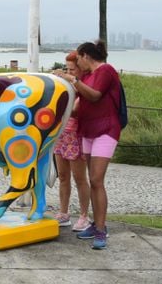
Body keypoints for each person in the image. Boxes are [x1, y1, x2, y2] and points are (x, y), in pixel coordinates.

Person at [69, 40, 122, 250]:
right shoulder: (87, 76)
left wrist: (73, 80)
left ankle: (101, 230)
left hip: (105, 130)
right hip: (88, 131)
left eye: (78, 59)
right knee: (93, 181)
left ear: (85, 56)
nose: (77, 63)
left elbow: (95, 95)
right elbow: (78, 107)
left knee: (97, 179)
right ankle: (96, 224)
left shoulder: (105, 70)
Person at [52, 51, 91, 232]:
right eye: (67, 68)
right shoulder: (66, 84)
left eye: (73, 69)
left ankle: (84, 215)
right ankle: (63, 212)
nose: (70, 72)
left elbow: (75, 110)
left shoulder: (82, 87)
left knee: (79, 178)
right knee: (63, 176)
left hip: (75, 135)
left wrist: (68, 80)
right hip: (62, 135)